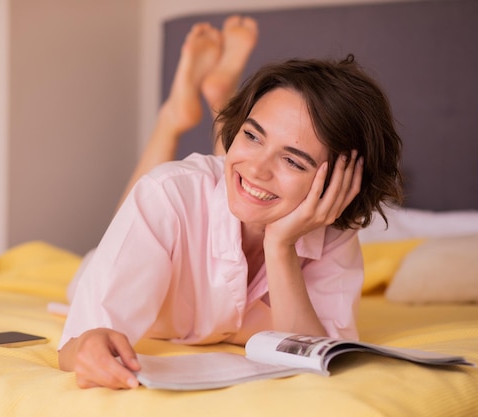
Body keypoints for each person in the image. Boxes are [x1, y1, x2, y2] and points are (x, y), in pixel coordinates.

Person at [58, 15, 403, 390]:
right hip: (119, 254)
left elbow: (314, 355)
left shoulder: (331, 228)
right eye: (252, 135)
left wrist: (280, 246)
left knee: (241, 182)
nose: (258, 167)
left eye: (292, 160)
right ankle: (173, 119)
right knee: (165, 192)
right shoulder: (169, 196)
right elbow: (74, 347)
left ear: (338, 182)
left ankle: (218, 100)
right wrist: (89, 347)